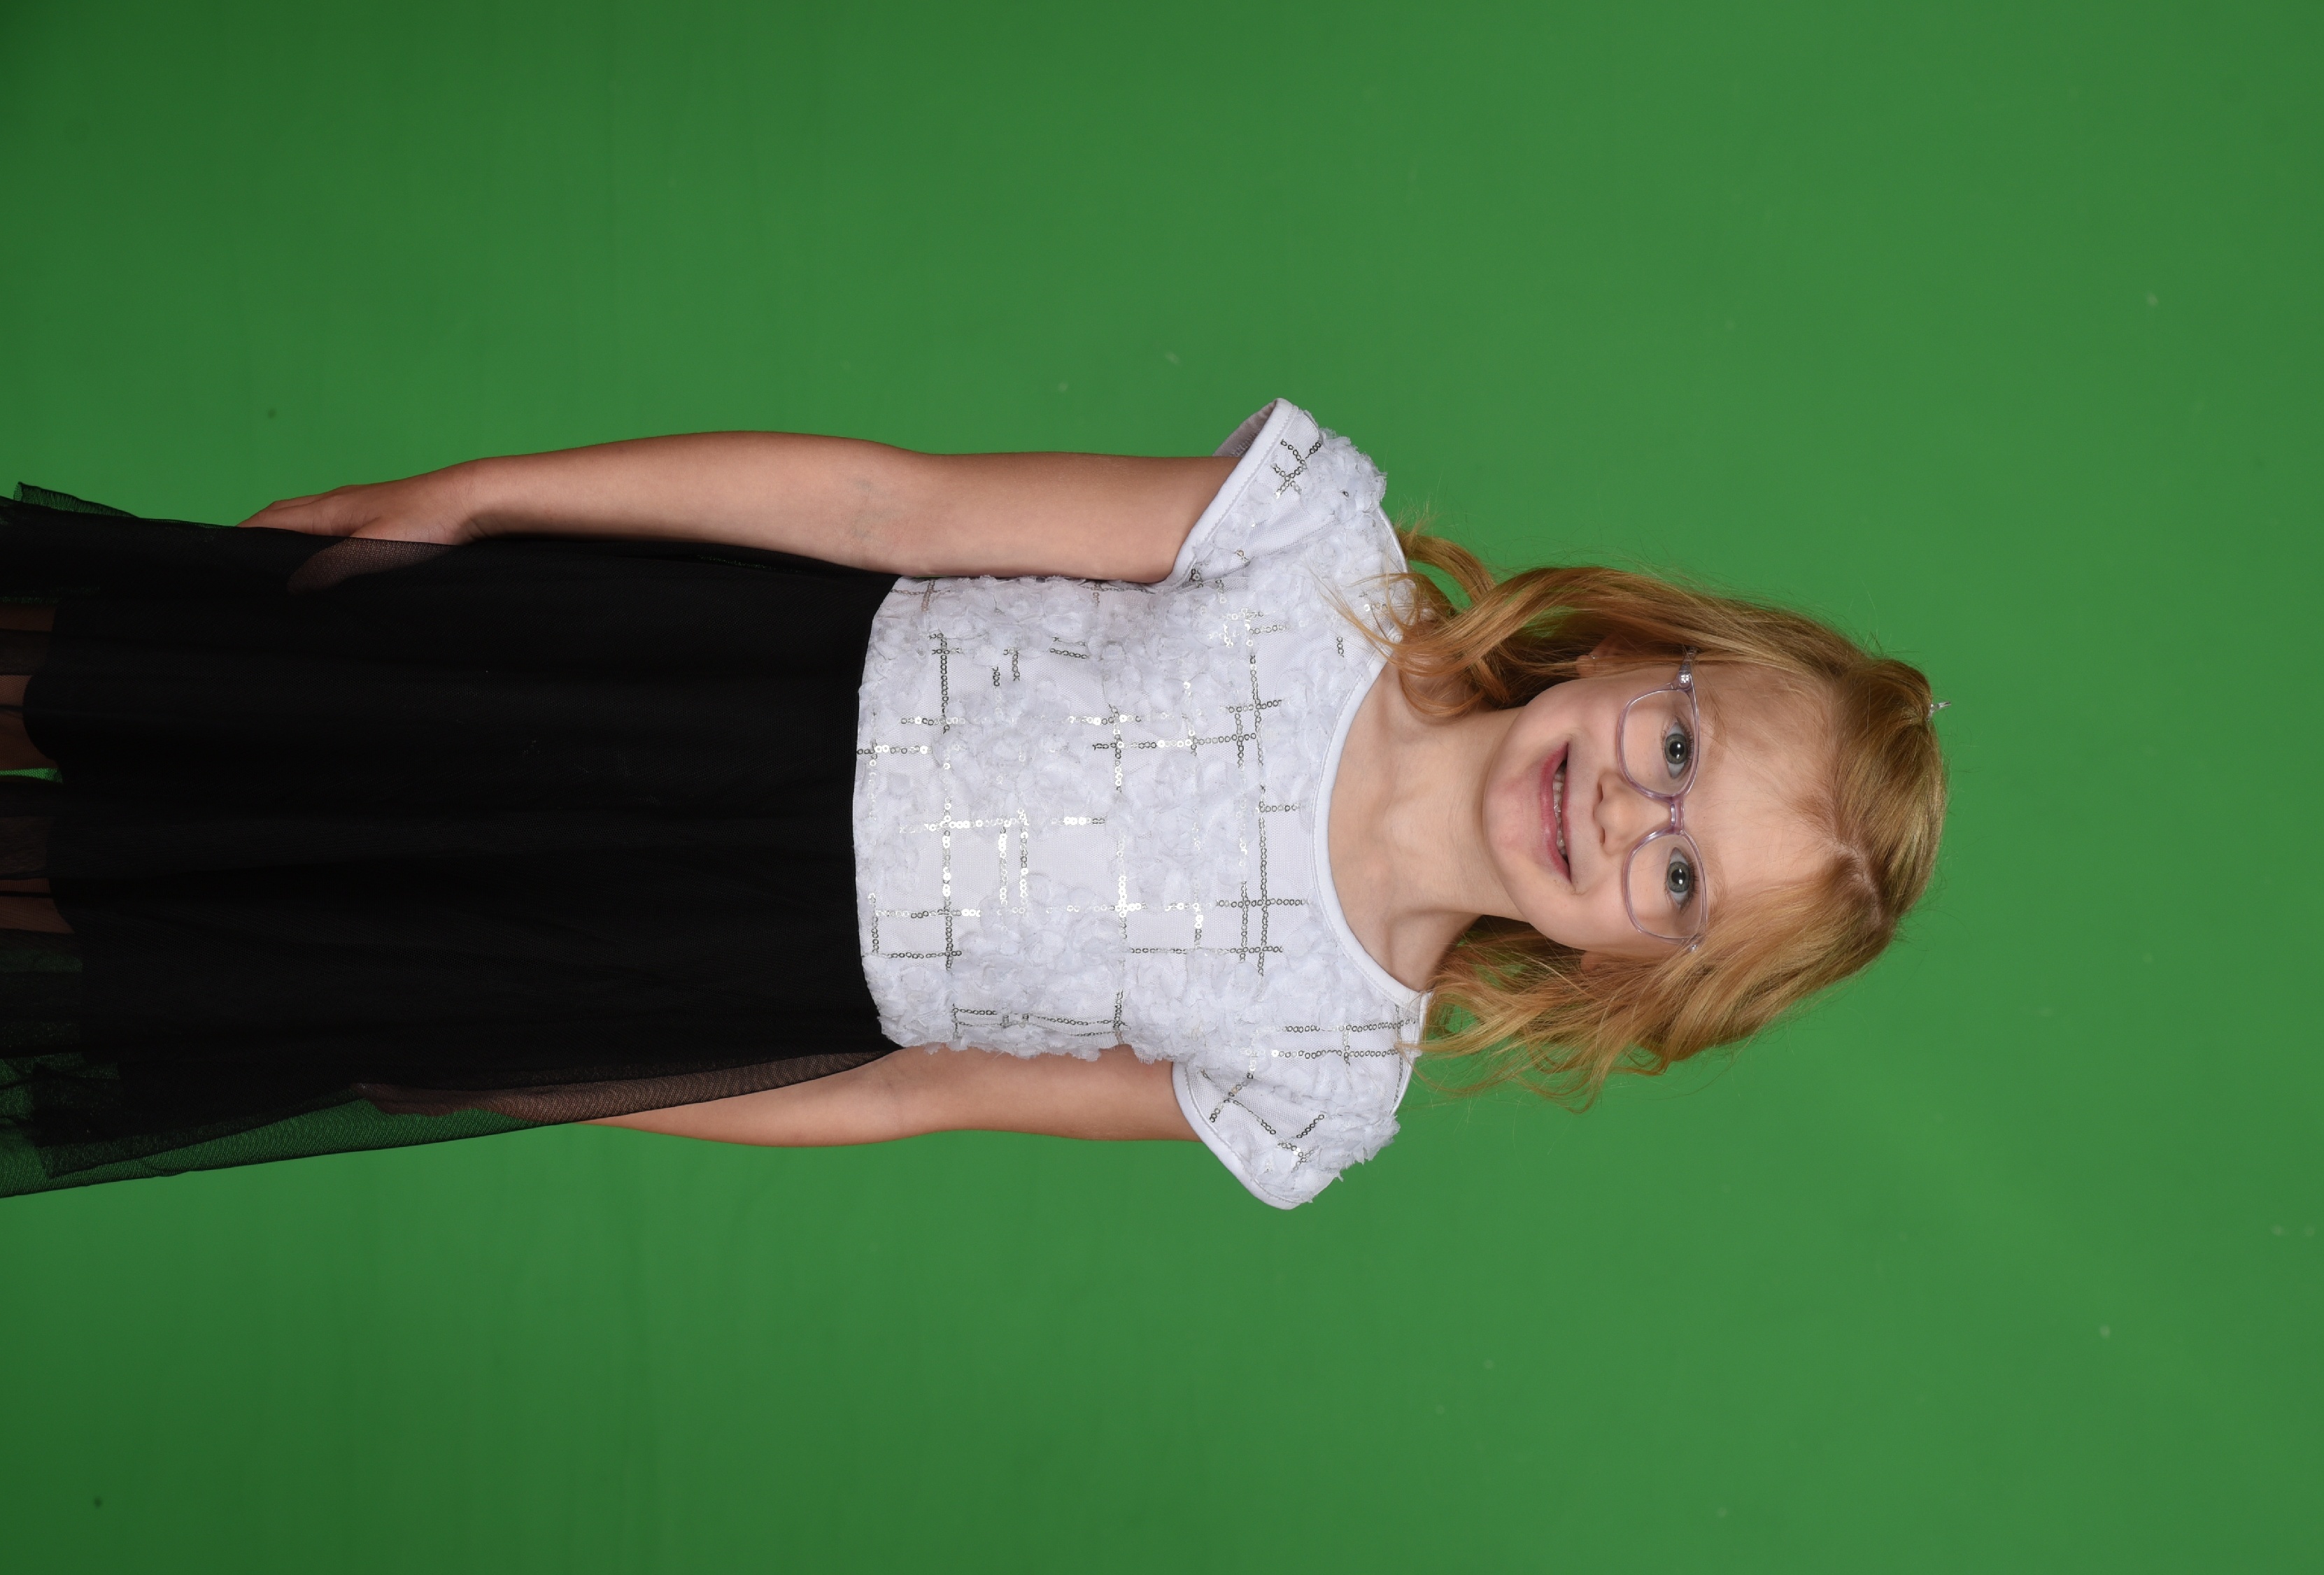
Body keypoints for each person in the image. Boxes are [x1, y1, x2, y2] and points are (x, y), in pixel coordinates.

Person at [0, 401, 1945, 1204]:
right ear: (1647, 654)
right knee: (189, 677)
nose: (1622, 817)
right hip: (680, 684)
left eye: (1678, 880)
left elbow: (903, 1090)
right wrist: (482, 496)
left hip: (692, 957)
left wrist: (539, 1071)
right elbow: (887, 503)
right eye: (1677, 751)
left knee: (197, 930)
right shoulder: (1312, 551)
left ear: (1637, 970)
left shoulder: (1319, 1078)